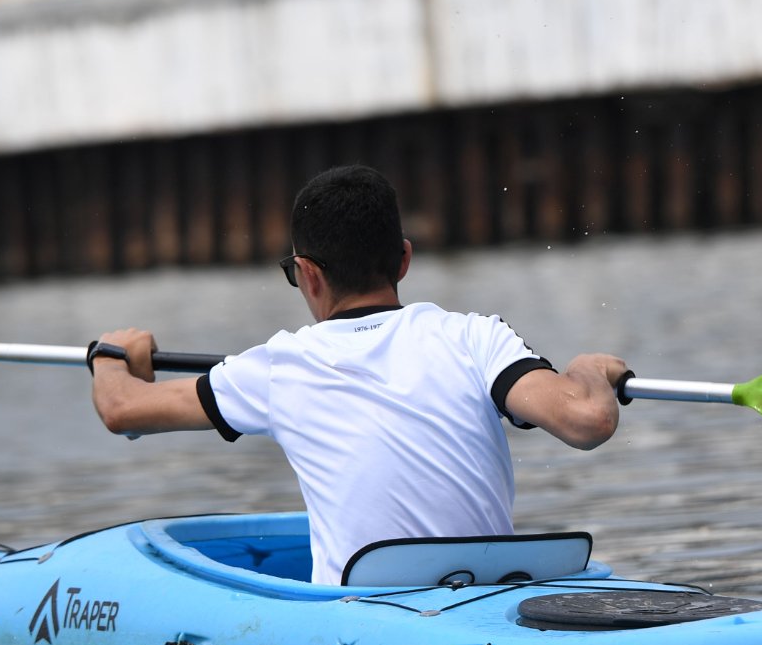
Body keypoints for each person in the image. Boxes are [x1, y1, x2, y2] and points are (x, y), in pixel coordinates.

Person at [89, 165, 631, 585]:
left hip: (363, 620)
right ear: (403, 261)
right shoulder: (475, 337)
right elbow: (585, 419)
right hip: (490, 597)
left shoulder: (278, 366)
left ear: (308, 274)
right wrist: (586, 369)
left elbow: (122, 410)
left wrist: (112, 353)